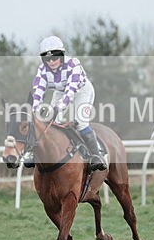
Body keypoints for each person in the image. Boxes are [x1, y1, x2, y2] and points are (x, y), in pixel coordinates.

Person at [30, 35, 107, 171]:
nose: (52, 62)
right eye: (47, 59)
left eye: (55, 57)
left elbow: (71, 92)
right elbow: (38, 91)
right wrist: (35, 110)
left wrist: (57, 108)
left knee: (81, 122)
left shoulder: (73, 64)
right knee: (49, 123)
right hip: (60, 92)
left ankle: (96, 155)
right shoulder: (42, 70)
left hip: (81, 90)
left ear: (62, 56)